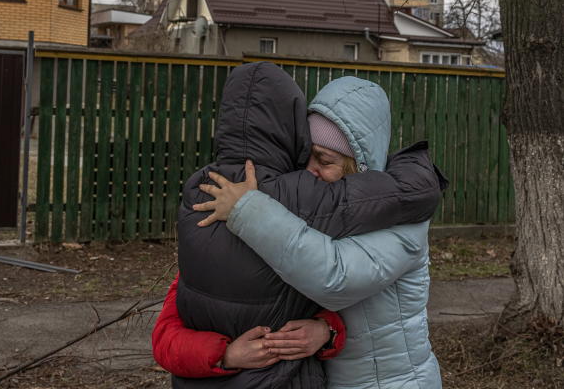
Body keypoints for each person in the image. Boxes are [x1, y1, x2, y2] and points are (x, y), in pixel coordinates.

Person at [154, 62, 445, 388]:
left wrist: (247, 208)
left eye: (325, 160)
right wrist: (325, 331)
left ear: (359, 165)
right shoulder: (308, 212)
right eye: (307, 156)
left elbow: (335, 278)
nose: (310, 170)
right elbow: (174, 321)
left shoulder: (403, 224)